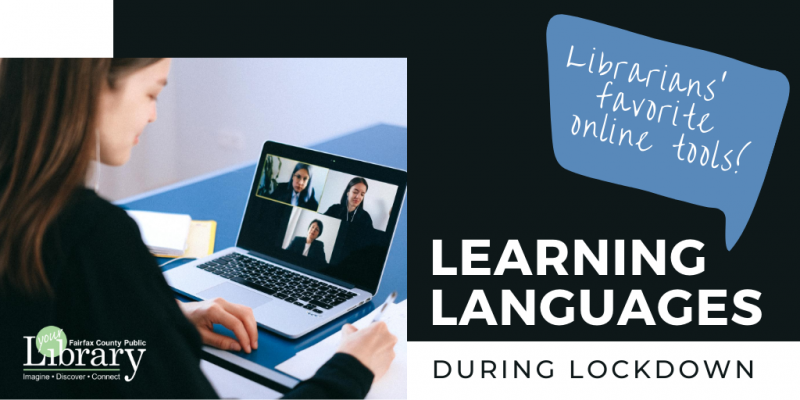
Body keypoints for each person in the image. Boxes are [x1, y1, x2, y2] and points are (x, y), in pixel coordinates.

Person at [0, 59, 396, 399]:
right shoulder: (95, 237)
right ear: (90, 84)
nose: (153, 115)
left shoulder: (22, 207)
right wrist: (351, 367)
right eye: (152, 93)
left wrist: (162, 318)